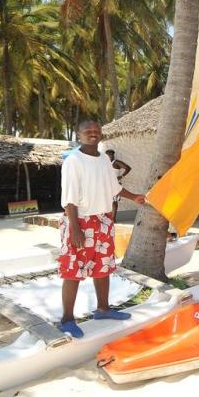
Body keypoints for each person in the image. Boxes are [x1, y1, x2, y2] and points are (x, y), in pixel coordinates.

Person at [59, 120, 146, 338]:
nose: (93, 133)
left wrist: (134, 197)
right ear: (78, 135)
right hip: (80, 221)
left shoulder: (104, 160)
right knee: (74, 270)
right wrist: (75, 229)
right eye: (87, 131)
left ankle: (103, 309)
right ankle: (67, 319)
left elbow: (114, 187)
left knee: (103, 267)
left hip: (104, 220)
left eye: (96, 131)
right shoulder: (73, 161)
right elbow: (69, 198)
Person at [105, 149, 131, 222]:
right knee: (107, 200)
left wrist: (121, 176)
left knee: (114, 201)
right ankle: (107, 218)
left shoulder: (116, 162)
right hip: (107, 184)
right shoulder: (105, 163)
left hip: (115, 184)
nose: (109, 156)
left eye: (110, 155)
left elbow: (128, 168)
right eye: (107, 155)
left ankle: (113, 219)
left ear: (113, 155)